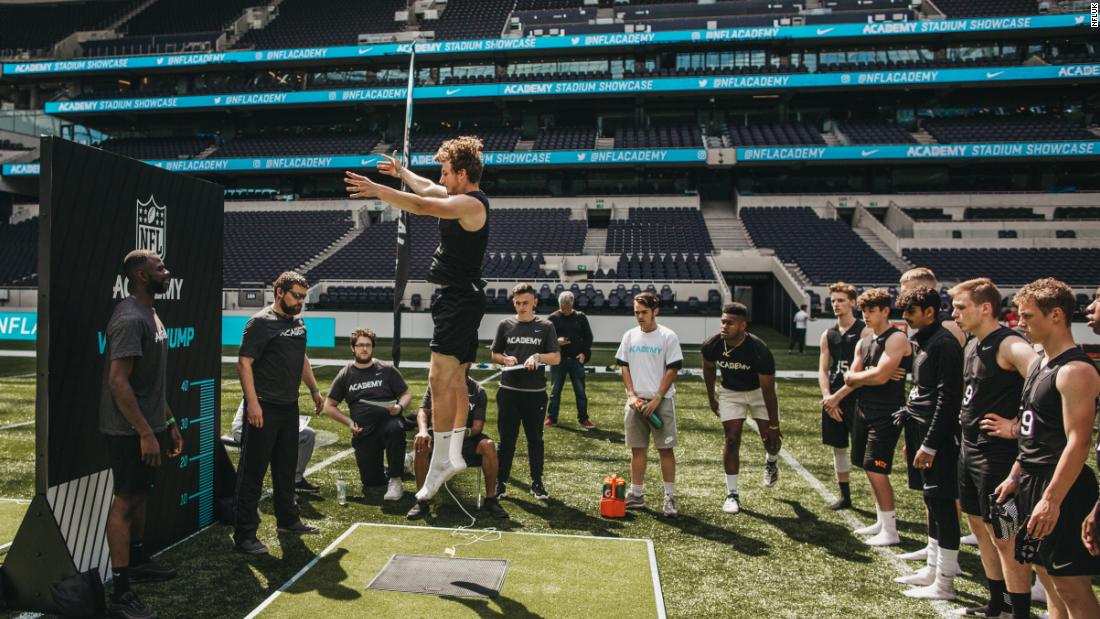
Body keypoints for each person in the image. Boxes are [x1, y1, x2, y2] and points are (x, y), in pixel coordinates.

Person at [346, 136, 490, 502]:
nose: (441, 178)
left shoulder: (470, 204)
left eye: (445, 172)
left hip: (458, 301)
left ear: (461, 173)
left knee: (437, 379)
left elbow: (421, 204)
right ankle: (453, 454)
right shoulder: (460, 196)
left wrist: (380, 189)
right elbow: (426, 187)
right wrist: (400, 172)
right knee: (456, 378)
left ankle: (441, 458)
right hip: (461, 298)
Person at [995, 279, 1100, 619]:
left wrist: (1051, 500)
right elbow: (1032, 431)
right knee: (1048, 576)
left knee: (1071, 584)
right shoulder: (1040, 362)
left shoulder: (1075, 370)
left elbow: (1078, 441)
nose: (1019, 323)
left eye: (1026, 316)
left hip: (1062, 487)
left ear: (1056, 315)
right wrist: (1016, 475)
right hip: (1032, 480)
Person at [100, 250, 182, 619]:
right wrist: (146, 433)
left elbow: (150, 384)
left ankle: (137, 561)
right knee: (126, 501)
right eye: (160, 267)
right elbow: (119, 383)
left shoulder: (150, 312)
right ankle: (120, 590)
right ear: (141, 275)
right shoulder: (130, 318)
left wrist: (169, 423)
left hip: (151, 426)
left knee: (141, 496)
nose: (167, 271)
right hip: (129, 431)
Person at [950, 278, 1037, 618]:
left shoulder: (1009, 344)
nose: (954, 313)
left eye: (960, 307)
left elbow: (1047, 380)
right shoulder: (973, 344)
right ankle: (996, 604)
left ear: (985, 308)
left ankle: (1020, 612)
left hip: (998, 458)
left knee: (1006, 536)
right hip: (969, 452)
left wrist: (1016, 427)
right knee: (980, 527)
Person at [233, 271, 322, 555]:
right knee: (253, 474)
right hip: (264, 407)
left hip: (289, 406)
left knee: (285, 468)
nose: (300, 302)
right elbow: (244, 363)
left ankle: (288, 520)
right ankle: (245, 535)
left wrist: (314, 390)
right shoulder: (259, 323)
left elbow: (302, 356)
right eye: (296, 296)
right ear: (279, 292)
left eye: (303, 298)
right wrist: (253, 404)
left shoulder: (298, 322)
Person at [824, 288, 912, 546]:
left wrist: (870, 374)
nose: (868, 316)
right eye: (864, 311)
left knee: (876, 467)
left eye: (872, 310)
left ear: (886, 311)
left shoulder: (896, 338)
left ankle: (891, 530)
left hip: (887, 412)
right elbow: (850, 377)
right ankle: (882, 521)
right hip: (863, 409)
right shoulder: (864, 342)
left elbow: (880, 376)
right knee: (866, 465)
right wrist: (869, 374)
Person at [893, 286, 964, 600]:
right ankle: (933, 568)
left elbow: (948, 401)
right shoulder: (923, 342)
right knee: (932, 501)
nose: (905, 318)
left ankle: (945, 582)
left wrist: (931, 444)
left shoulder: (944, 345)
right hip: (921, 431)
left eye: (911, 312)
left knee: (943, 503)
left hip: (939, 437)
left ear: (930, 312)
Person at [702, 302, 781, 515]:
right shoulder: (712, 344)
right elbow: (708, 369)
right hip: (730, 392)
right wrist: (712, 399)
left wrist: (773, 424)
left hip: (758, 393)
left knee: (770, 440)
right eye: (722, 321)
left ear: (743, 325)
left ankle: (771, 461)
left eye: (730, 323)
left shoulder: (759, 351)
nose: (724, 326)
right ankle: (732, 493)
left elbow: (768, 392)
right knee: (732, 438)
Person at [322, 328, 413, 500]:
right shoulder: (346, 374)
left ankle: (395, 479)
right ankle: (403, 463)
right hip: (364, 431)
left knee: (395, 428)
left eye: (368, 345)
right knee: (372, 481)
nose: (364, 349)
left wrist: (399, 407)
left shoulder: (386, 369)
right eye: (360, 345)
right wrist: (349, 423)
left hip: (388, 421)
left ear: (373, 347)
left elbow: (406, 393)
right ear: (353, 348)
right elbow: (329, 406)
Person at [616, 292, 684, 518]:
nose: (640, 316)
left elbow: (673, 369)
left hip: (660, 403)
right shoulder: (629, 336)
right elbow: (623, 366)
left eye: (644, 312)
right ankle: (636, 495)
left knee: (665, 450)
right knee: (637, 450)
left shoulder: (668, 336)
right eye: (636, 312)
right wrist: (631, 394)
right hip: (635, 403)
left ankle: (669, 498)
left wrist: (656, 399)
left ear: (656, 311)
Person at [491, 282, 561, 500]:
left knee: (535, 439)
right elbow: (495, 354)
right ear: (513, 302)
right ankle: (500, 483)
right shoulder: (505, 325)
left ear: (535, 303)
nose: (522, 307)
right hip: (509, 391)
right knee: (507, 440)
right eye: (518, 303)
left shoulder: (546, 326)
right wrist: (505, 358)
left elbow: (556, 357)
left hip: (535, 393)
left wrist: (538, 357)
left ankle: (537, 483)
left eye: (526, 303)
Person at [407, 372, 508, 520]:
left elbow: (477, 428)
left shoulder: (478, 391)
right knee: (421, 444)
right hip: (438, 437)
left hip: (466, 440)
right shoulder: (436, 385)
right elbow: (423, 411)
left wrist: (456, 434)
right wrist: (422, 431)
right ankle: (422, 501)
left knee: (489, 445)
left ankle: (491, 499)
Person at [818, 282, 870, 511]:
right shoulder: (827, 334)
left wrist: (837, 398)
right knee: (838, 448)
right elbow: (822, 370)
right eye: (833, 301)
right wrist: (828, 397)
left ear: (853, 302)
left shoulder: (864, 331)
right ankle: (844, 496)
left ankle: (880, 506)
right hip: (833, 400)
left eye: (840, 300)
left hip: (857, 398)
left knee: (866, 450)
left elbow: (865, 373)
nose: (836, 305)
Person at [231, 400, 318, 495]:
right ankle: (280, 491)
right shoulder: (265, 388)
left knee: (308, 435)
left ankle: (295, 480)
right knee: (280, 439)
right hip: (245, 427)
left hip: (270, 424)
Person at [546, 291, 594, 430]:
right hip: (558, 360)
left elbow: (588, 337)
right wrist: (556, 341)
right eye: (563, 307)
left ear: (572, 304)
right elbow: (545, 339)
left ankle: (584, 419)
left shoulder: (580, 317)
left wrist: (584, 354)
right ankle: (551, 418)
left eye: (567, 307)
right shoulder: (552, 318)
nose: (565, 310)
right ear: (559, 305)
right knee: (555, 391)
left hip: (576, 360)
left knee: (580, 392)